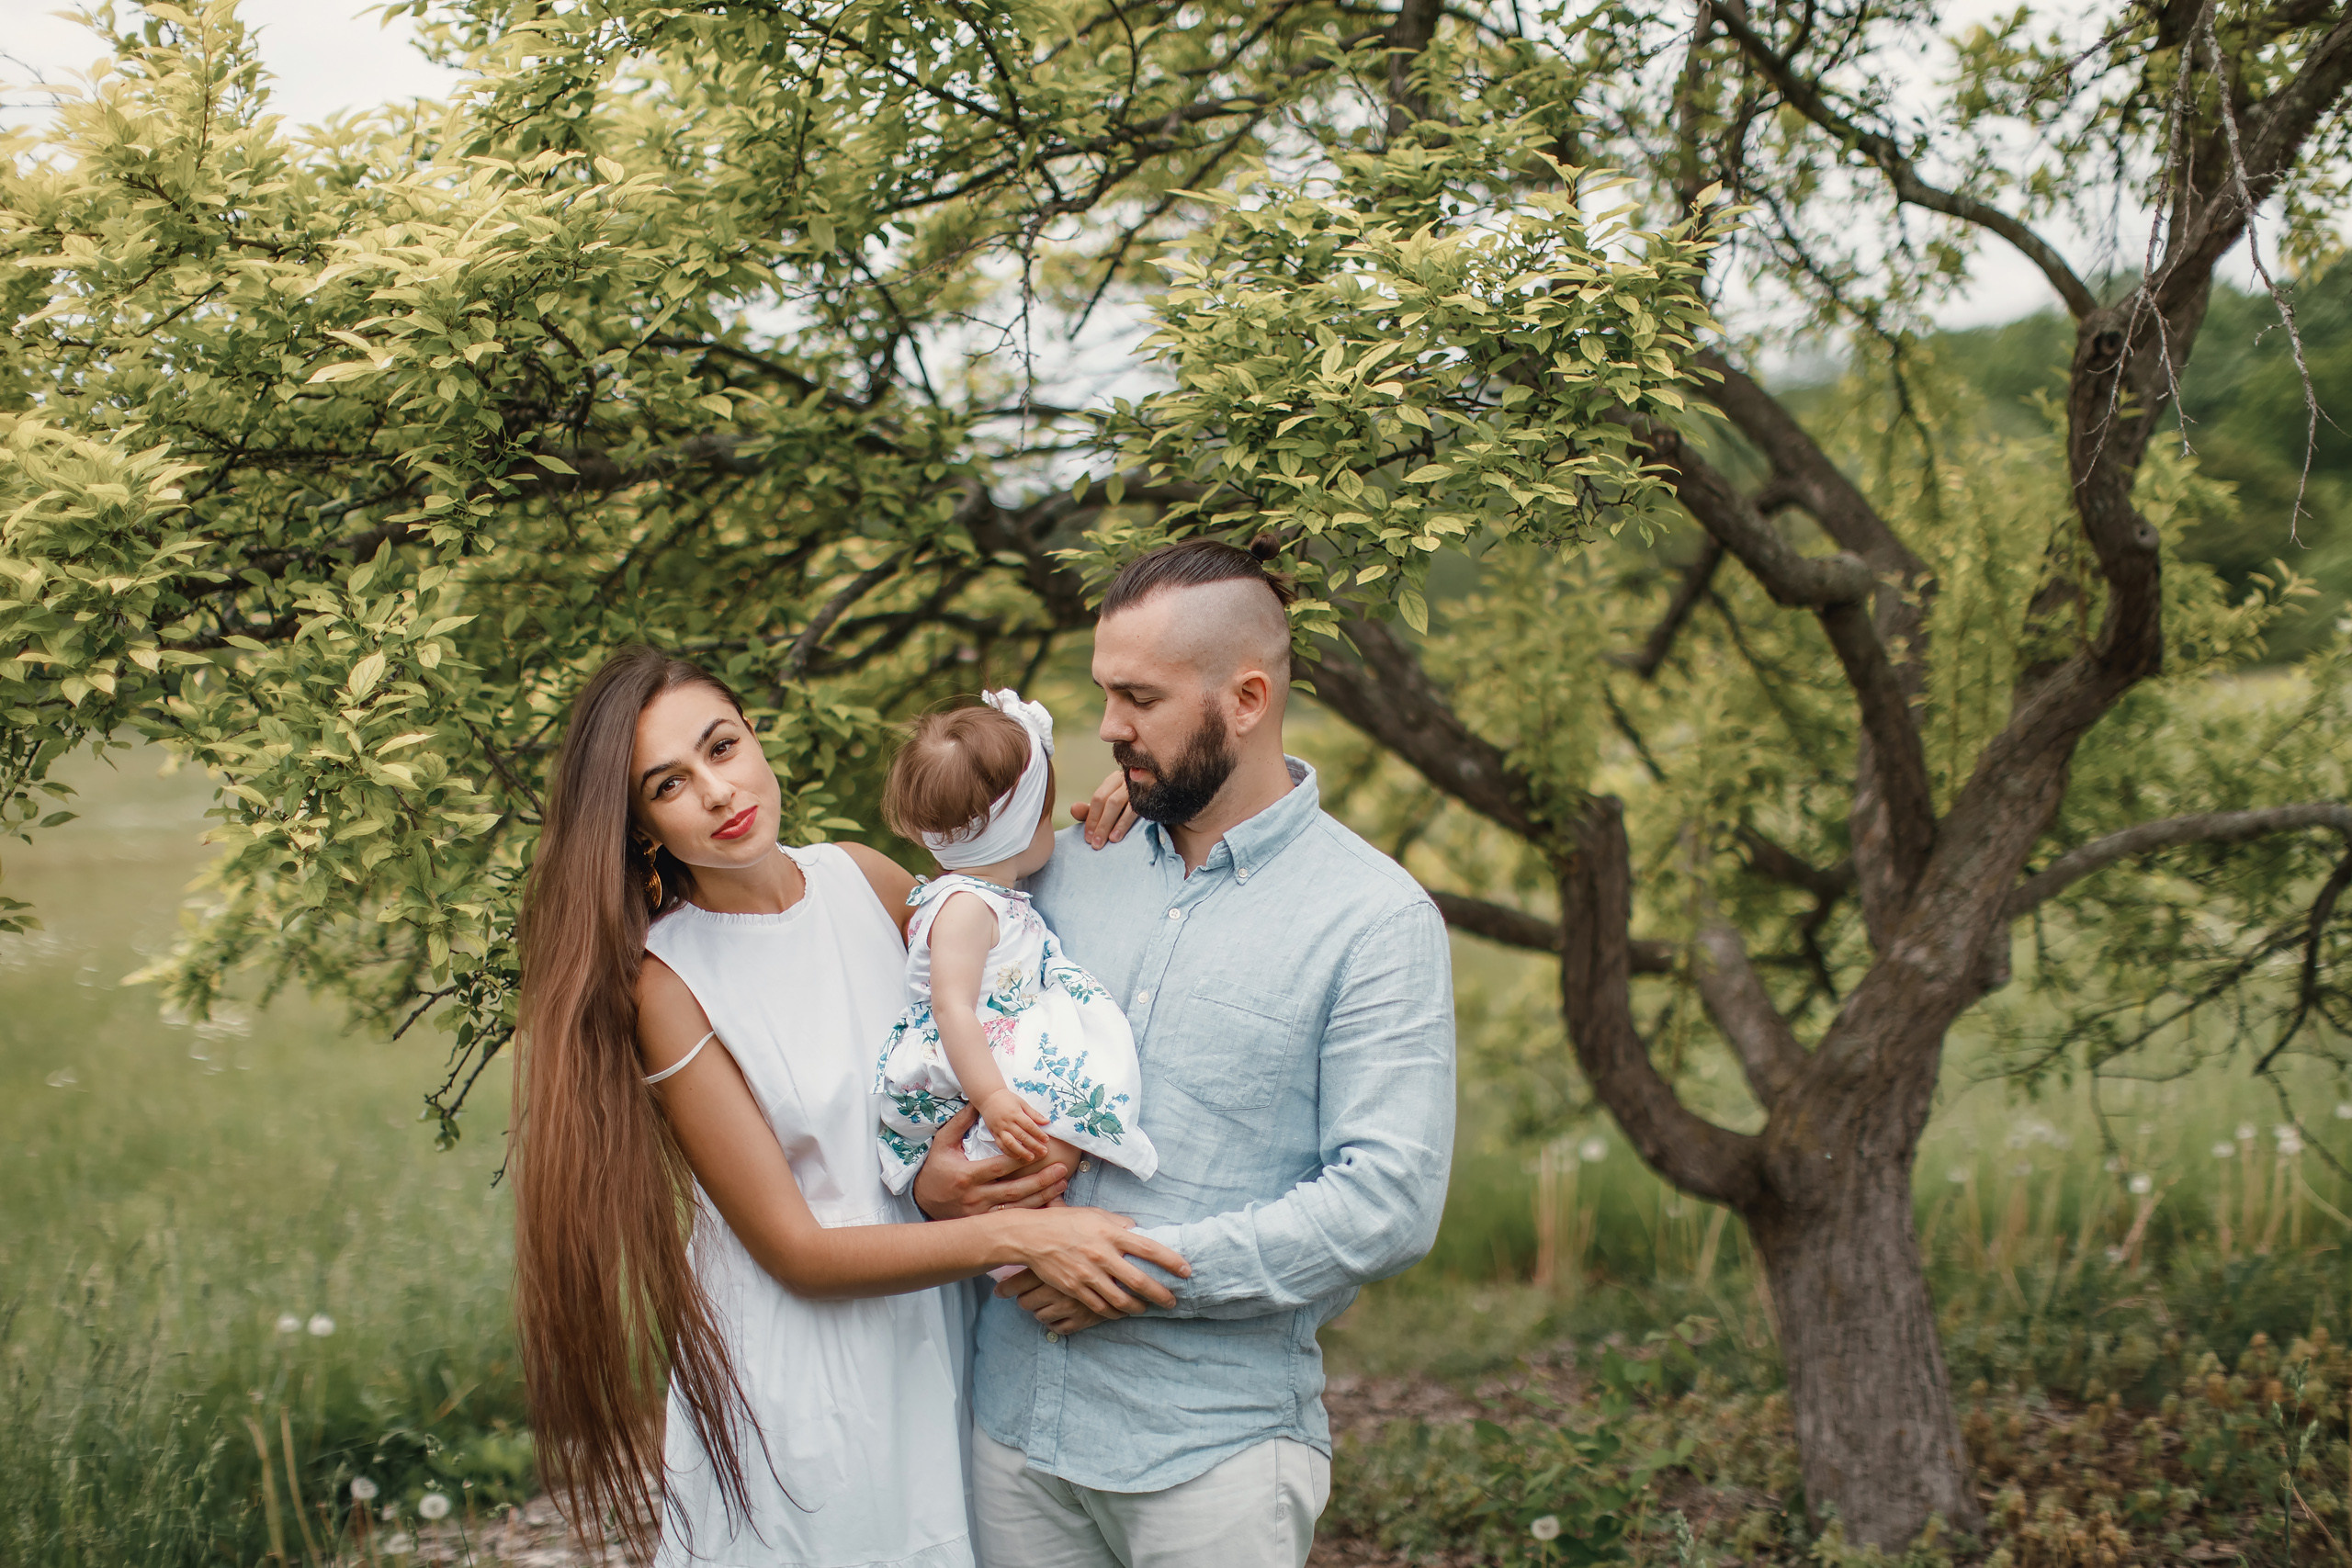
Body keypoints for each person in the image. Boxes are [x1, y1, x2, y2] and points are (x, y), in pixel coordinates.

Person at [507, 648, 1190, 1568]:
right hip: (809, 1362)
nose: (716, 790)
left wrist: (1106, 819)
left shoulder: (861, 876)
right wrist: (1024, 1237)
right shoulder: (669, 983)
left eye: (722, 746)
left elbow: (1001, 944)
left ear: (756, 737)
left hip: (936, 1317)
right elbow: (797, 1251)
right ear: (639, 826)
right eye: (670, 784)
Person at [913, 541, 1459, 1568]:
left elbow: (1385, 1203)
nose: (1109, 727)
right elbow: (943, 1032)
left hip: (1213, 1455)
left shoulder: (1374, 920)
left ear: (1244, 698)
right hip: (1012, 1432)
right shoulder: (1063, 868)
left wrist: (1132, 1266)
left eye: (1138, 698)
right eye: (1104, 694)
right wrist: (941, 1193)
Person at [873, 690, 1159, 1203]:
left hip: (995, 1039)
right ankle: (1026, 1238)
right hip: (973, 1061)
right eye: (1046, 818)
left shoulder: (988, 894)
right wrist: (992, 1096)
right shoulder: (966, 907)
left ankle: (1031, 1231)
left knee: (1058, 1139)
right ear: (1024, 829)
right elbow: (951, 1006)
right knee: (1050, 1142)